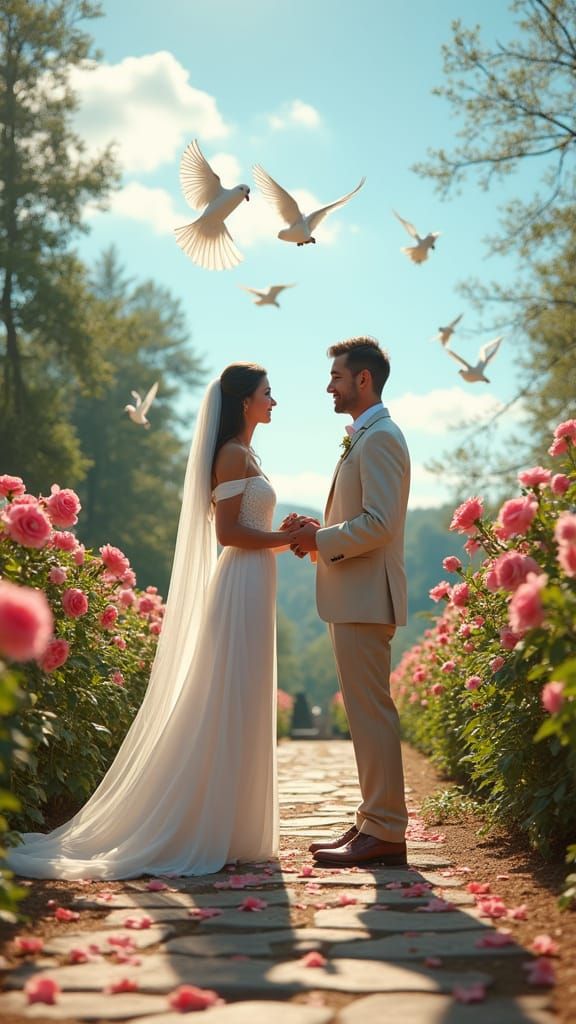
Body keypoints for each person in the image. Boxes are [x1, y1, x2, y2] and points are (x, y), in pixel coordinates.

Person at [6, 364, 289, 880]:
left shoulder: (248, 455)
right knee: (229, 692)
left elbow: (248, 524)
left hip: (257, 580)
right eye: (268, 393)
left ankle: (236, 826)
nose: (275, 401)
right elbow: (229, 533)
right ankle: (205, 823)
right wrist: (288, 538)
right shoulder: (229, 456)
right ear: (244, 401)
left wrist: (284, 534)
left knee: (246, 694)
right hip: (241, 581)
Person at [285, 336, 410, 867]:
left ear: (364, 380)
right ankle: (371, 819)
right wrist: (319, 536)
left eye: (336, 376)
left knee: (371, 714)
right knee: (363, 715)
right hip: (352, 597)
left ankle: (384, 830)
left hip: (364, 599)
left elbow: (381, 525)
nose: (329, 386)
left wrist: (321, 539)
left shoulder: (380, 437)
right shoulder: (367, 436)